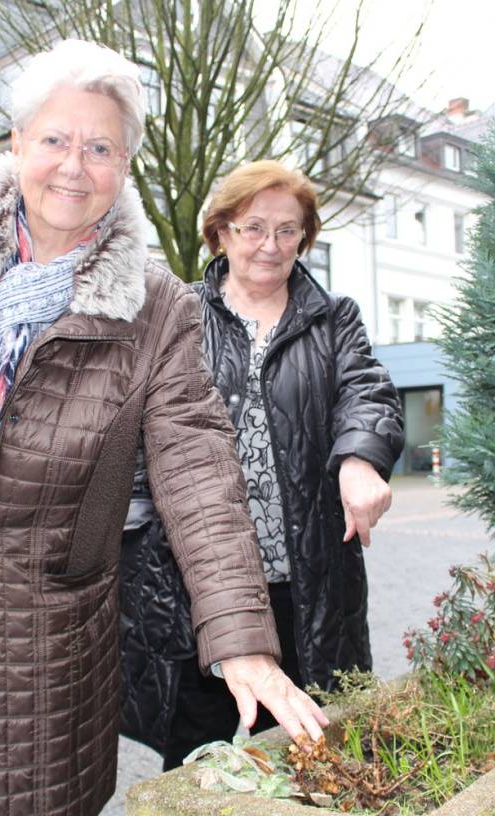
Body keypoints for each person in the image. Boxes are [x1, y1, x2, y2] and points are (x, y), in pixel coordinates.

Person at [0, 41, 327, 816]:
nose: (72, 165)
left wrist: (240, 640)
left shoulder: (159, 308)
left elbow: (197, 471)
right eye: (54, 139)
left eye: (100, 147)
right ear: (16, 143)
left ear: (124, 165)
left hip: (48, 616)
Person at [119, 160, 404, 770]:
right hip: (198, 584)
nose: (270, 246)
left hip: (308, 583)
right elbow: (138, 428)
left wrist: (360, 457)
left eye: (287, 230)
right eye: (253, 228)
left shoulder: (334, 319)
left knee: (315, 751)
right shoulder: (179, 314)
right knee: (200, 762)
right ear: (220, 232)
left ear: (305, 237)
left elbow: (368, 391)